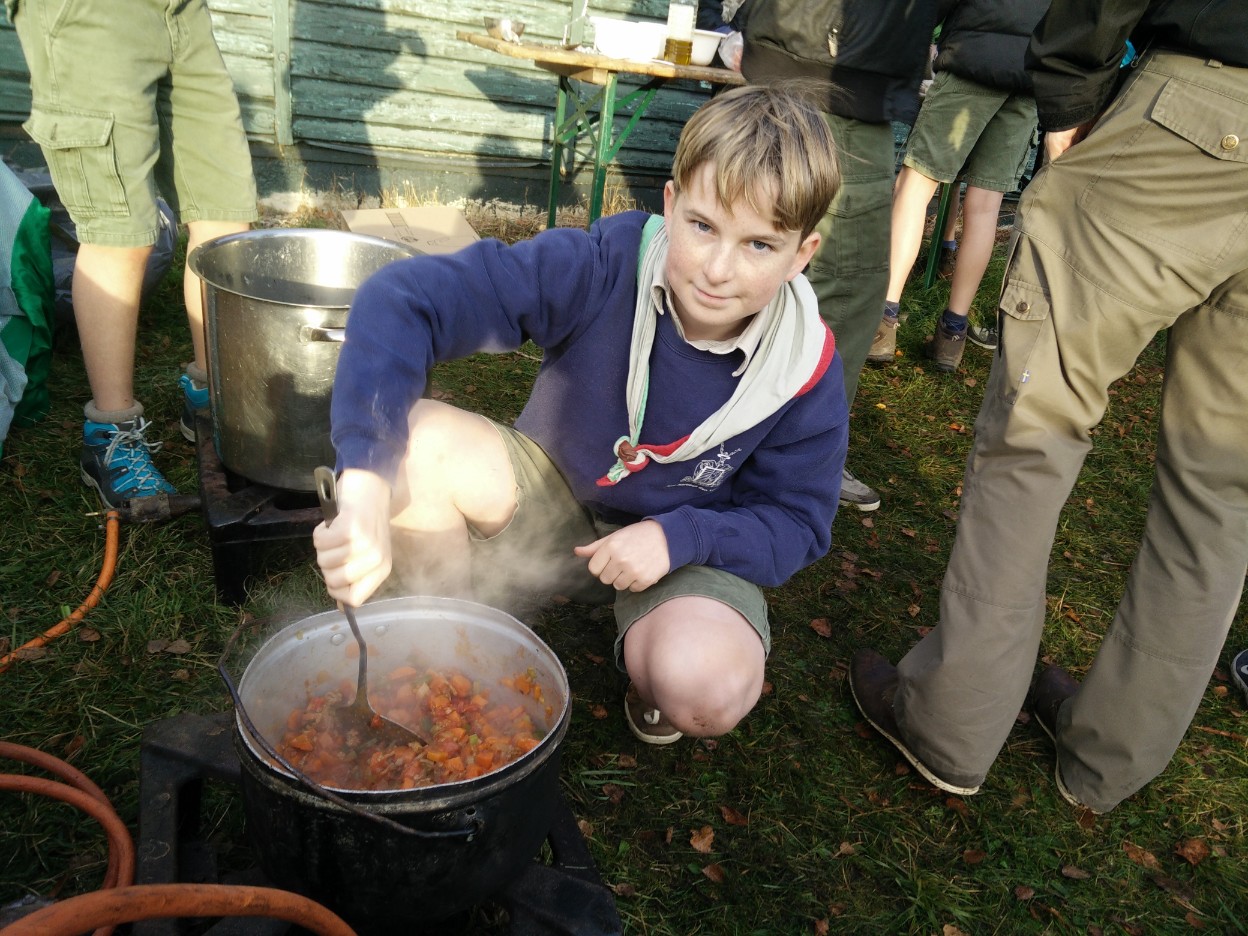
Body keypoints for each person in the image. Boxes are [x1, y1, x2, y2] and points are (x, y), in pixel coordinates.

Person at [314, 84, 849, 744]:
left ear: (803, 254)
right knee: (419, 442)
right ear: (672, 205)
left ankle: (657, 666)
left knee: (705, 687)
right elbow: (404, 300)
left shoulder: (807, 368)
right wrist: (363, 488)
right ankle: (447, 655)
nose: (717, 269)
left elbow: (795, 523)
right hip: (551, 504)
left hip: (685, 544)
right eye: (703, 227)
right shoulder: (603, 265)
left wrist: (680, 538)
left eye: (759, 246)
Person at [850, 0, 1248, 814]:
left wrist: (1070, 99)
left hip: (1199, 113)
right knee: (1221, 492)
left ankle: (949, 726)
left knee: (1037, 428)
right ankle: (1108, 759)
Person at [8, 0, 258, 508]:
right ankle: (111, 436)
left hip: (183, 12)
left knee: (225, 221)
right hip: (91, 14)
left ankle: (213, 395)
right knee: (119, 231)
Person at [705, 0, 943, 512]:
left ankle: (797, 450)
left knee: (827, 284)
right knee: (749, 268)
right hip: (817, 68)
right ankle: (720, 445)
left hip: (842, 79)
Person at [868, 0, 1050, 373]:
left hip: (974, 57)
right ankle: (952, 335)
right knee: (986, 205)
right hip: (1033, 73)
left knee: (916, 187)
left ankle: (882, 323)